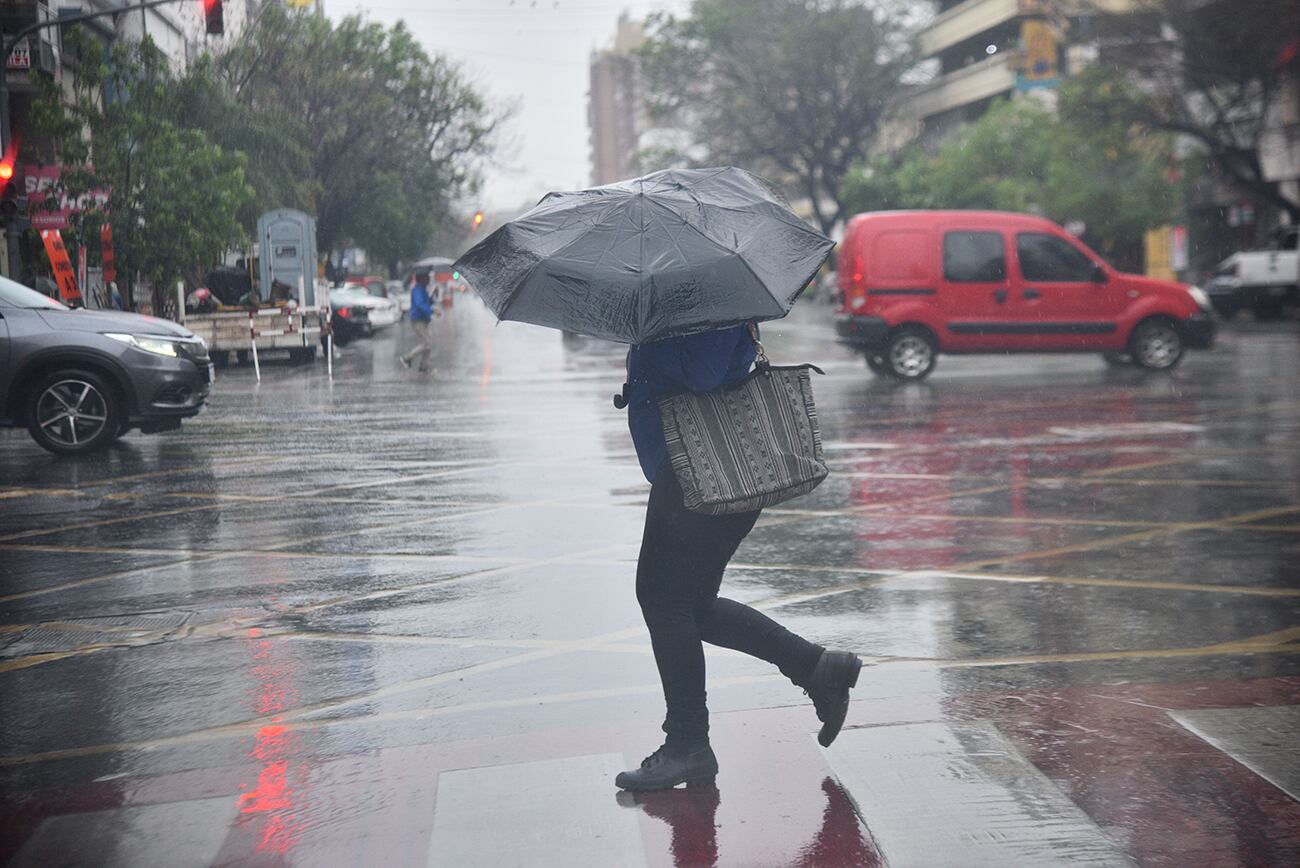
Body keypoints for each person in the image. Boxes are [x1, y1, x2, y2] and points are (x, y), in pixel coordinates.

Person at [615, 324, 862, 791]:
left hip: (701, 464)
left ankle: (688, 744)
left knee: (663, 601)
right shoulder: (691, 287)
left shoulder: (704, 295)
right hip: (696, 463)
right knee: (693, 606)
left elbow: (704, 372)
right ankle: (816, 668)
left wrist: (648, 351)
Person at [400, 270, 435, 372]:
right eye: (427, 277)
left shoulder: (423, 289)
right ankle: (407, 358)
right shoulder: (417, 290)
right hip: (418, 320)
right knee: (426, 343)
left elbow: (427, 302)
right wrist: (432, 310)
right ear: (421, 279)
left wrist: (432, 297)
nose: (429, 279)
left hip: (424, 320)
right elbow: (420, 305)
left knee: (428, 343)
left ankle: (424, 366)